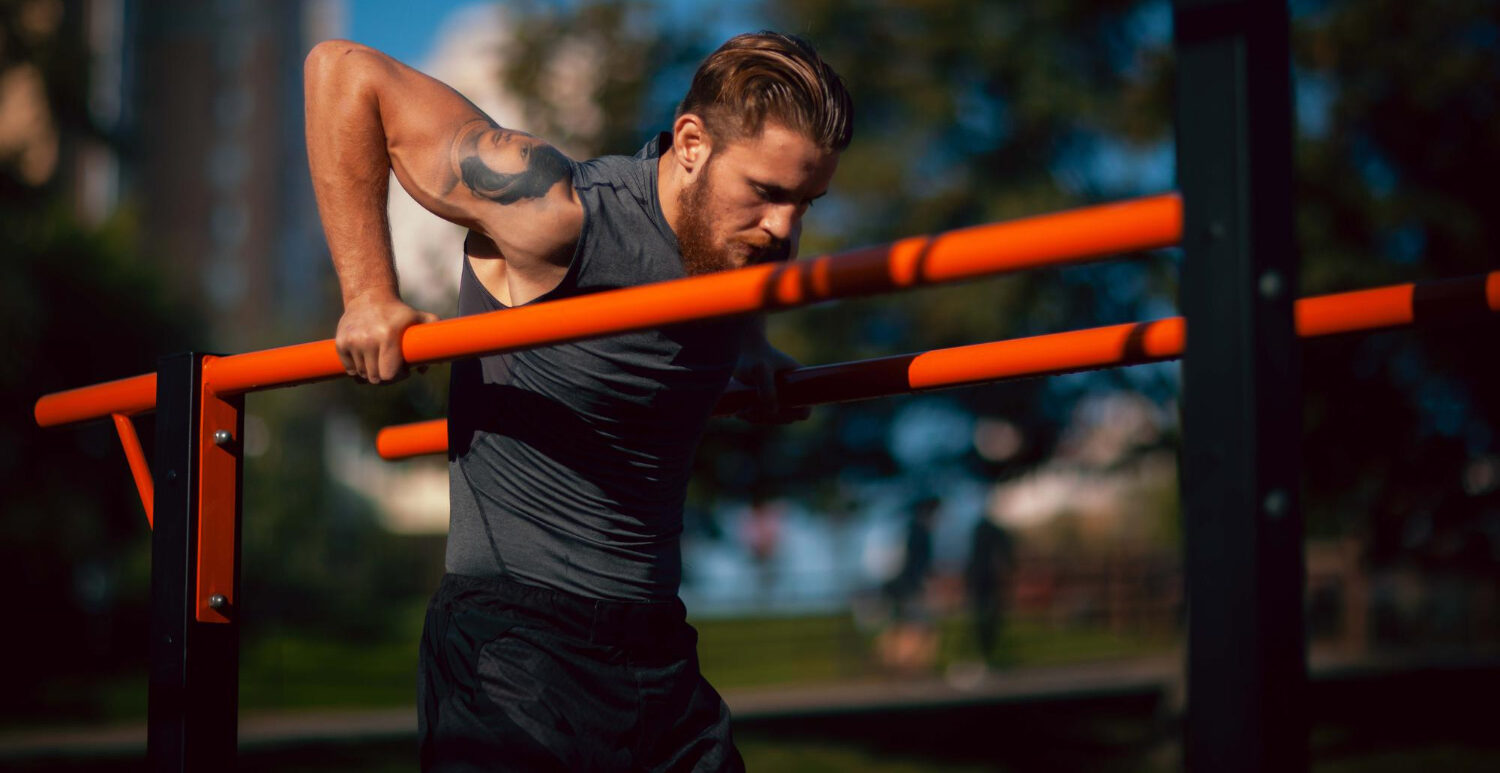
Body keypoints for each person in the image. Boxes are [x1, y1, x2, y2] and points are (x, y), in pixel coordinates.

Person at [303, 30, 852, 772]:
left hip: (657, 648)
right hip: (517, 647)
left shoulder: (728, 245)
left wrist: (750, 343)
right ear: (691, 142)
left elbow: (714, 266)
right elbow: (341, 72)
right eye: (767, 193)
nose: (785, 230)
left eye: (806, 203)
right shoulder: (555, 214)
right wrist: (369, 293)